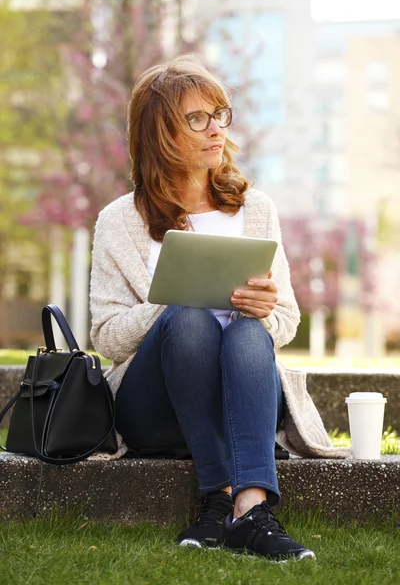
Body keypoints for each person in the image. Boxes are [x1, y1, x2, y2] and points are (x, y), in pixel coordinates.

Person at [89, 54, 350, 563]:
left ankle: (249, 510)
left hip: (245, 394)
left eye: (220, 114)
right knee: (186, 319)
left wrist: (265, 310)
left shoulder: (255, 208)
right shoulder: (120, 220)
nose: (216, 130)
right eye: (197, 119)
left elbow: (287, 319)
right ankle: (218, 494)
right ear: (161, 133)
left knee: (250, 331)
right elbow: (106, 337)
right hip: (158, 406)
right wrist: (168, 301)